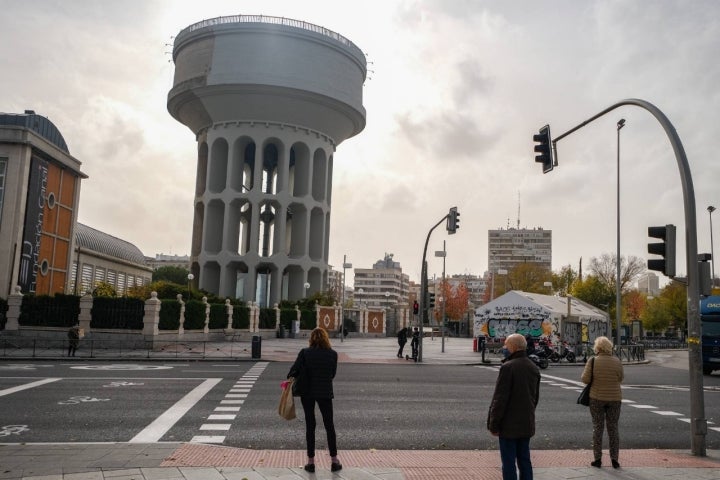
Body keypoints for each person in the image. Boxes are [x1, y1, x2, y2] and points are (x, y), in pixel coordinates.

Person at [287, 327, 342, 473]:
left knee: (310, 426)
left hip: (307, 392)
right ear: (326, 338)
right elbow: (332, 374)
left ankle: (311, 462)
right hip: (325, 392)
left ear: (311, 338)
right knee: (329, 425)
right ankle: (334, 461)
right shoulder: (333, 354)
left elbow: (292, 371)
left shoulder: (305, 353)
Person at [487, 333, 541, 480]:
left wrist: (494, 424)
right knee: (524, 460)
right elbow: (535, 398)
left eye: (506, 345)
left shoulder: (508, 367)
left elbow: (500, 399)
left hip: (508, 425)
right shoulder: (533, 367)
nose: (504, 347)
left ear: (513, 347)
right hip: (526, 423)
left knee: (509, 462)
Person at [581, 336, 624, 469]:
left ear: (598, 348)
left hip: (597, 398)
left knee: (598, 428)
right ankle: (614, 459)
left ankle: (598, 459)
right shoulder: (617, 361)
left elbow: (585, 379)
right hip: (615, 399)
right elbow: (621, 378)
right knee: (613, 428)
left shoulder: (593, 360)